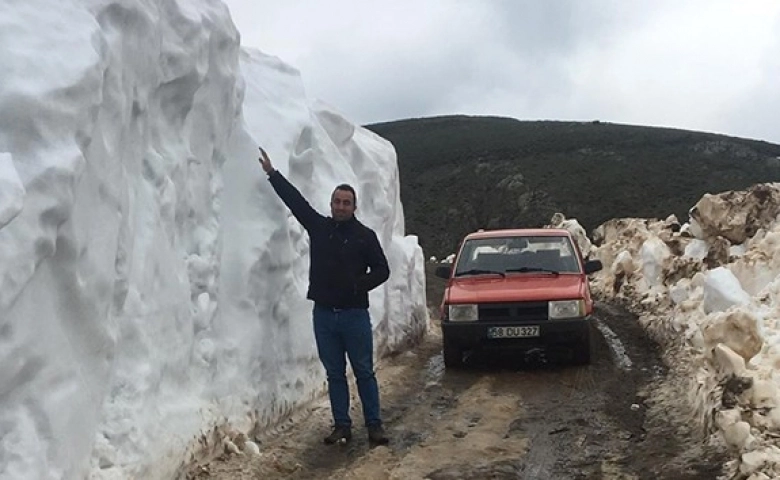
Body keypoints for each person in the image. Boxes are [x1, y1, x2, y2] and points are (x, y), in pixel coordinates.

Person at [258, 146, 391, 446]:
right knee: (334, 374)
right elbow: (297, 202)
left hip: (355, 315)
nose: (341, 206)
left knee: (364, 372)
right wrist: (272, 174)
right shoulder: (320, 228)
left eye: (347, 203)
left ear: (354, 207)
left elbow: (383, 270)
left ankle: (374, 425)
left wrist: (360, 285)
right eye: (337, 202)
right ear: (331, 204)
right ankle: (342, 425)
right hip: (324, 315)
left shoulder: (364, 236)